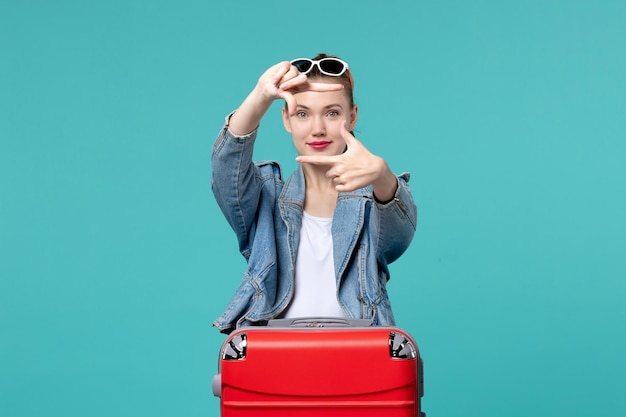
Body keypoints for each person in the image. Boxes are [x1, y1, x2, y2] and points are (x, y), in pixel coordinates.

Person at [211, 53, 417, 333]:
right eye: (302, 113)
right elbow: (226, 168)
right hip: (275, 367)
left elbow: (400, 231)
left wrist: (382, 175)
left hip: (359, 365)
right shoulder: (265, 201)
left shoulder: (373, 204)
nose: (318, 129)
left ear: (353, 116)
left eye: (332, 113)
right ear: (286, 119)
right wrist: (261, 95)